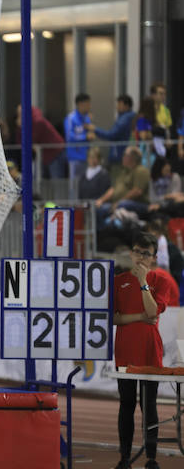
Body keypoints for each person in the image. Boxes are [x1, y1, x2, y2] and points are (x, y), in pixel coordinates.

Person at [113, 231, 173, 469]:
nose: (140, 257)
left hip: (150, 351)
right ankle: (125, 459)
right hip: (125, 351)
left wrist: (142, 282)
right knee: (126, 403)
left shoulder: (162, 280)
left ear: (154, 258)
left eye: (146, 254)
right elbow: (114, 319)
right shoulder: (118, 281)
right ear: (131, 252)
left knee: (149, 405)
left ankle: (151, 459)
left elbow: (152, 312)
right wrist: (138, 316)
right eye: (137, 251)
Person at [95, 146, 151, 227]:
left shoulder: (141, 170)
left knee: (123, 204)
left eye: (125, 155)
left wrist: (118, 202)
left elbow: (137, 191)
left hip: (139, 204)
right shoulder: (124, 171)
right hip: (118, 203)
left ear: (133, 157)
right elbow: (113, 190)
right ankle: (104, 235)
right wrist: (101, 200)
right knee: (98, 209)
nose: (123, 157)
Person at [14, 104, 66, 179]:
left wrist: (21, 127)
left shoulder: (38, 121)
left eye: (20, 114)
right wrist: (19, 128)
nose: (19, 117)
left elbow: (30, 140)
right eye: (18, 114)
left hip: (55, 152)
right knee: (37, 178)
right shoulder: (27, 123)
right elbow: (20, 143)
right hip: (43, 155)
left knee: (56, 179)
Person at [91, 95, 136, 166]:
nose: (117, 107)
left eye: (119, 104)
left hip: (119, 155)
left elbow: (111, 135)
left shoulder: (125, 119)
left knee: (117, 175)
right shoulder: (127, 117)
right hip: (126, 154)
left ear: (126, 106)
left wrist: (95, 129)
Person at [64, 93, 93, 199]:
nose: (89, 106)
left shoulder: (87, 118)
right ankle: (73, 209)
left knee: (85, 186)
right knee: (74, 186)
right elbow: (69, 136)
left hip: (87, 157)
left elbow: (90, 132)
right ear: (80, 104)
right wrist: (85, 136)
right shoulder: (71, 118)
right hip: (75, 158)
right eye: (88, 104)